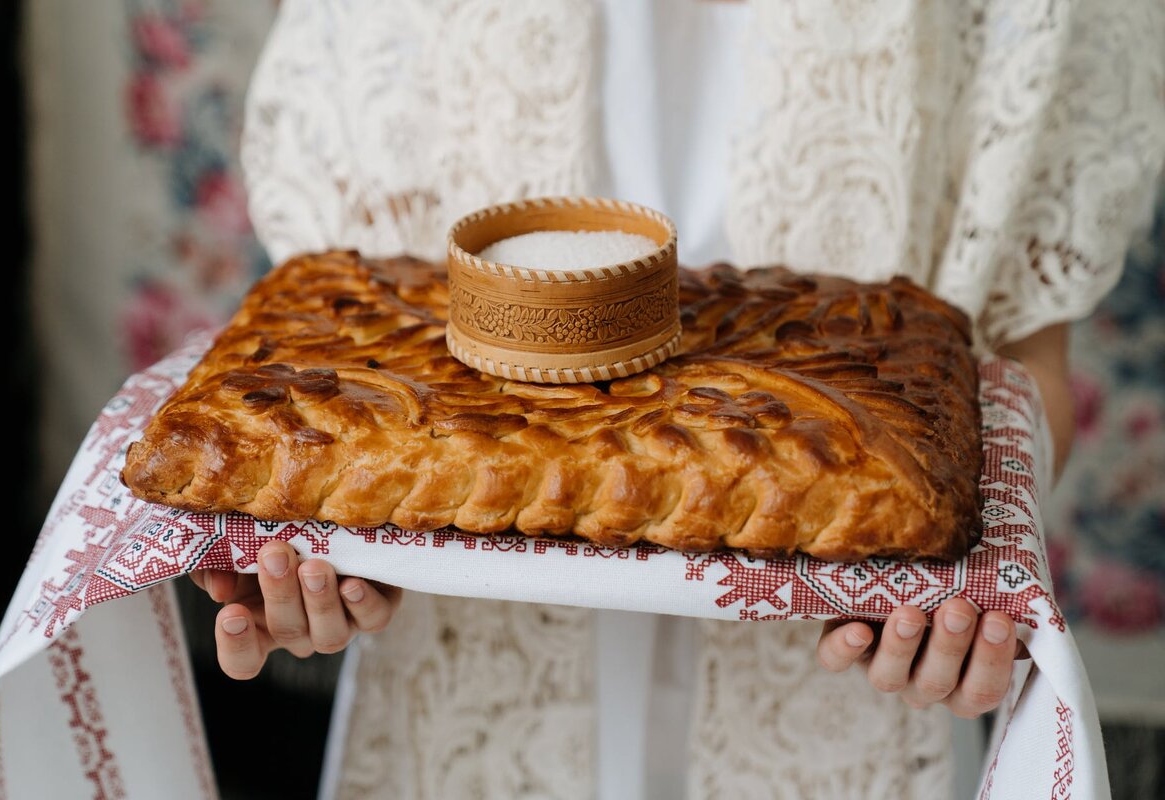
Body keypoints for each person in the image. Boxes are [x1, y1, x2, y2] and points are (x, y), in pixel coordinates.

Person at [192, 1, 1164, 797]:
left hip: (845, 715)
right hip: (458, 715)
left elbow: (1022, 359)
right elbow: (330, 343)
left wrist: (978, 566)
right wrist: (303, 546)